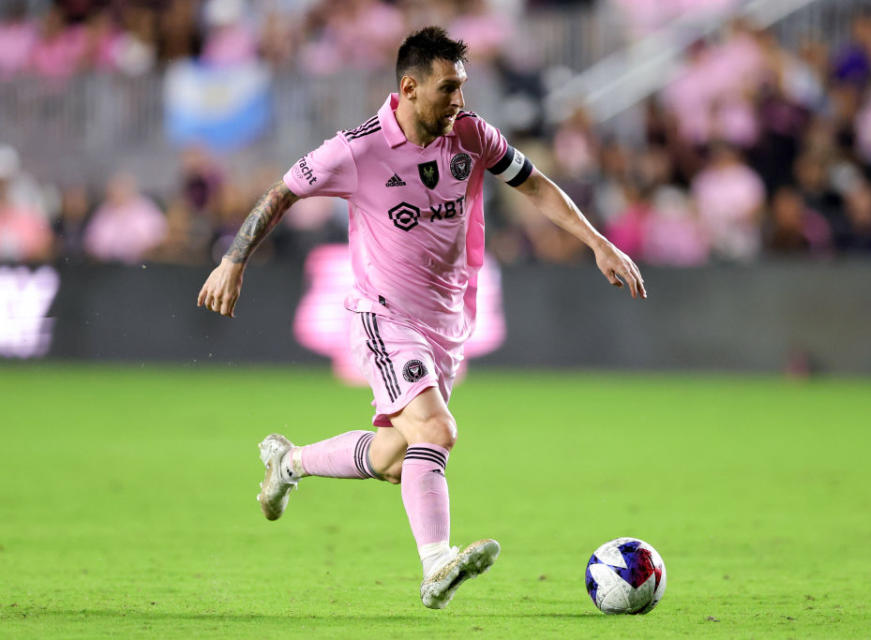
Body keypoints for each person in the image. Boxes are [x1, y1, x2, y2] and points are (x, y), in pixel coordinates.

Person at [196, 27, 645, 610]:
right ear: (409, 87)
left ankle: (289, 462)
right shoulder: (356, 149)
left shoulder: (472, 135)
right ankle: (437, 566)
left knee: (392, 458)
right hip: (383, 317)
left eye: (462, 86)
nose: (459, 99)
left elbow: (535, 185)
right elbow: (280, 194)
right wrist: (233, 261)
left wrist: (598, 243)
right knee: (436, 433)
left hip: (447, 323)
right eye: (448, 87)